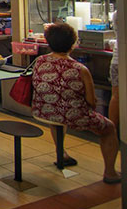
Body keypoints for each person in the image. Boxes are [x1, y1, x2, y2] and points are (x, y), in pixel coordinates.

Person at [32, 23, 120, 183]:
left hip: (44, 111)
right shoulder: (80, 69)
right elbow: (91, 102)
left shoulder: (39, 61)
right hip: (73, 115)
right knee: (109, 129)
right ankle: (110, 172)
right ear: (73, 44)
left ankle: (62, 153)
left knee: (57, 117)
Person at [109, 12, 119, 127]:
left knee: (116, 96)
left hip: (116, 60)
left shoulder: (117, 13)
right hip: (121, 60)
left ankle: (112, 130)